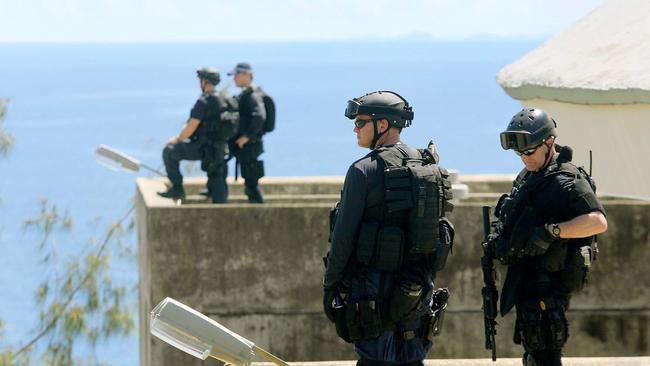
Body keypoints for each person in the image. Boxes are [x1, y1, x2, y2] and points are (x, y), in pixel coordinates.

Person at [323, 91, 454, 366]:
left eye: (361, 122)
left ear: (382, 125)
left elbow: (343, 238)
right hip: (417, 289)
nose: (355, 129)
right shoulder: (426, 165)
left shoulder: (363, 170)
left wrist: (330, 284)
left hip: (373, 292)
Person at [494, 108, 608, 366]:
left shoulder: (568, 179)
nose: (524, 158)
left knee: (546, 356)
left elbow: (598, 222)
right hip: (527, 280)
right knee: (533, 355)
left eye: (529, 151)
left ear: (549, 142)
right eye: (519, 153)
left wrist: (552, 231)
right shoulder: (530, 176)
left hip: (550, 283)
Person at [158, 67, 233, 203]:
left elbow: (192, 125)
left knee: (169, 152)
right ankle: (217, 199)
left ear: (204, 81)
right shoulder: (225, 98)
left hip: (204, 148)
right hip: (222, 147)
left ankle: (177, 188)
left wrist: (177, 139)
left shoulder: (204, 101)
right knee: (217, 175)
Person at [227, 62, 266, 203]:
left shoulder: (252, 96)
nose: (234, 78)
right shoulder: (248, 94)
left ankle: (259, 212)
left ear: (246, 75)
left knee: (251, 184)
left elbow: (259, 117)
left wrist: (246, 137)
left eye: (236, 75)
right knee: (250, 183)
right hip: (250, 145)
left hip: (251, 145)